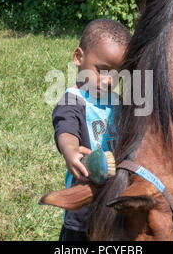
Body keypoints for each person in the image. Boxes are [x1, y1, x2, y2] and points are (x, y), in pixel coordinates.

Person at [52, 18, 131, 241]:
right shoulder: (73, 100)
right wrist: (71, 150)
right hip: (84, 198)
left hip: (116, 198)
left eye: (116, 75)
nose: (108, 81)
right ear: (79, 57)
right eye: (102, 70)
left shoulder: (119, 102)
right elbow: (65, 129)